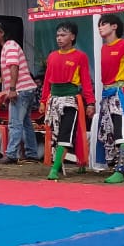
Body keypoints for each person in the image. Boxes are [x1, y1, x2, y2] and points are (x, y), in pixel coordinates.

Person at [40, 22, 95, 180]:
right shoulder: (52, 56)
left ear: (72, 37)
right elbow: (47, 81)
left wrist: (90, 102)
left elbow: (85, 81)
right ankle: (70, 163)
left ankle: (55, 169)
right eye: (57, 35)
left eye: (63, 35)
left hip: (70, 100)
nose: (59, 38)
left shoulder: (80, 56)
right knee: (56, 135)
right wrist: (43, 100)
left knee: (66, 133)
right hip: (54, 100)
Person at [95, 13, 124, 184]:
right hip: (107, 95)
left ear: (114, 26)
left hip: (121, 93)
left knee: (121, 129)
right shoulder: (103, 48)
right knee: (110, 132)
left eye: (104, 24)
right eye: (99, 24)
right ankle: (117, 165)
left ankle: (121, 169)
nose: (100, 27)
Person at [0, 20, 38, 163]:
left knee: (15, 123)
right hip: (26, 88)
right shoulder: (9, 46)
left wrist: (12, 89)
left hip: (21, 89)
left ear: (2, 33)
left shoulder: (9, 45)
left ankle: (11, 154)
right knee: (25, 123)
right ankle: (31, 154)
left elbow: (14, 67)